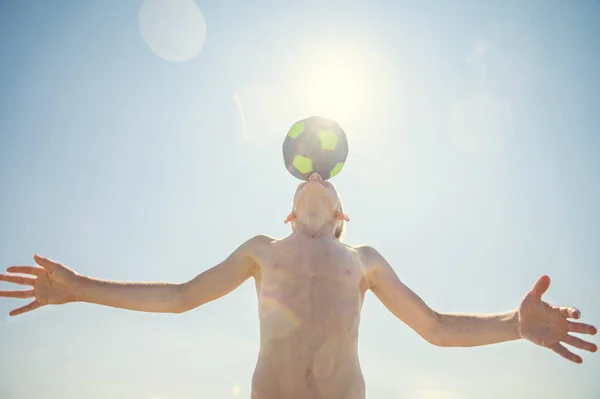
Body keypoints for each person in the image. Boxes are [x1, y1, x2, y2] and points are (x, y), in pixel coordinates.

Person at [0, 172, 597, 399]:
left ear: (343, 215)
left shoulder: (364, 260)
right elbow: (182, 297)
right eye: (304, 178)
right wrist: (79, 287)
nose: (315, 175)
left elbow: (436, 330)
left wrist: (513, 328)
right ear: (289, 213)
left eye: (329, 182)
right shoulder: (263, 251)